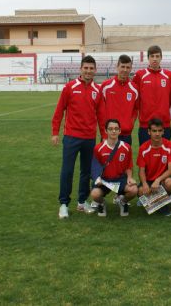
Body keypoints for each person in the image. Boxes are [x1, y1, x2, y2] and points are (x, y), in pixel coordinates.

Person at [52, 55, 105, 219]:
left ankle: (82, 202)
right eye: (86, 68)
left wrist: (103, 138)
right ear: (80, 69)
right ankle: (63, 204)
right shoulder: (70, 87)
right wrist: (55, 132)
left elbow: (101, 116)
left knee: (86, 172)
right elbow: (59, 110)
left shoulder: (98, 90)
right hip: (71, 137)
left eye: (91, 68)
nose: (88, 71)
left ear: (95, 70)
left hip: (89, 138)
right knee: (67, 171)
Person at [90, 119, 138, 217]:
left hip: (120, 179)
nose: (113, 131)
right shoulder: (98, 148)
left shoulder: (126, 147)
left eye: (116, 129)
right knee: (95, 194)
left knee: (134, 190)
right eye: (110, 129)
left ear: (120, 131)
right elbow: (94, 166)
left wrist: (129, 177)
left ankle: (122, 202)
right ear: (106, 131)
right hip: (104, 180)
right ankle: (101, 203)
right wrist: (97, 178)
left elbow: (129, 166)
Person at [132, 45, 171, 144]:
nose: (155, 59)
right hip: (145, 125)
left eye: (157, 56)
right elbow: (136, 99)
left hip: (164, 125)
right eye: (152, 56)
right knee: (146, 156)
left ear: (161, 57)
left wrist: (162, 108)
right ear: (148, 58)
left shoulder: (169, 75)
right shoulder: (140, 75)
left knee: (164, 157)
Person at [137, 118, 171, 216]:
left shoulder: (170, 146)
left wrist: (158, 180)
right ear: (149, 132)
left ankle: (157, 203)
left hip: (162, 180)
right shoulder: (143, 148)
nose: (157, 134)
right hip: (149, 181)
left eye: (159, 131)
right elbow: (141, 171)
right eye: (154, 131)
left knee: (170, 182)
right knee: (140, 190)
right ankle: (163, 203)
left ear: (163, 131)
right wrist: (145, 183)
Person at [100, 54, 139, 144]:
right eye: (122, 67)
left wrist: (130, 125)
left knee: (125, 158)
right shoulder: (106, 86)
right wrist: (104, 132)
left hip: (126, 134)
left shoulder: (134, 88)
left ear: (131, 68)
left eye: (128, 67)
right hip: (109, 134)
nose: (125, 70)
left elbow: (136, 109)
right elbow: (100, 111)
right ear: (117, 67)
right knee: (107, 158)